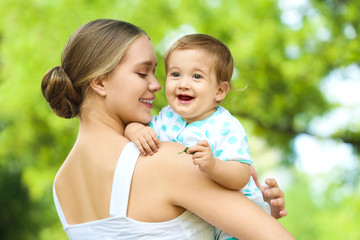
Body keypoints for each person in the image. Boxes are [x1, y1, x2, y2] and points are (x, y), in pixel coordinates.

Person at [41, 19, 294, 239]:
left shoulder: (61, 185)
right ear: (99, 82)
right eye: (143, 73)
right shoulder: (165, 160)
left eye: (156, 72)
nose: (156, 85)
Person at [124, 33, 284, 239]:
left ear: (219, 91)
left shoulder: (225, 126)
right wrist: (135, 130)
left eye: (196, 76)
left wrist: (213, 166)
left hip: (234, 226)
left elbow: (242, 175)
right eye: (175, 74)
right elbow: (136, 131)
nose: (183, 83)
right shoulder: (165, 118)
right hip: (196, 221)